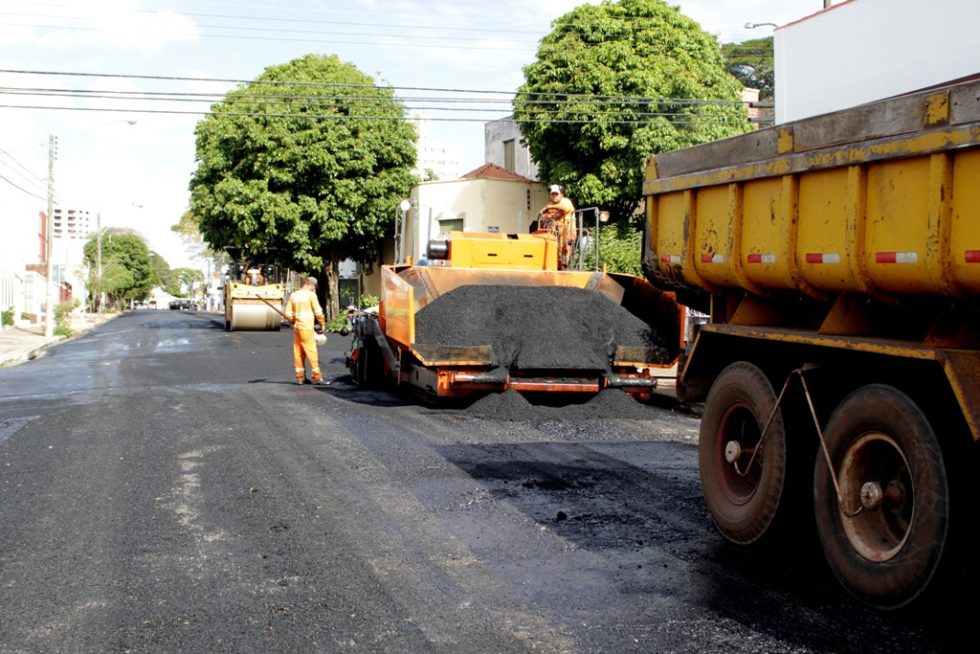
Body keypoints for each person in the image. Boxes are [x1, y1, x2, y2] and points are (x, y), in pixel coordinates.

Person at [285, 276, 328, 385]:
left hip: (297, 327)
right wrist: (322, 324)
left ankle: (300, 377)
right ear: (312, 285)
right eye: (314, 287)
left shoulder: (294, 295)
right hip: (307, 327)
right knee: (311, 350)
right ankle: (317, 377)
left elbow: (288, 313)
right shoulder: (311, 295)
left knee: (298, 351)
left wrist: (294, 320)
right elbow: (318, 312)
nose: (314, 289)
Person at [538, 184, 576, 268]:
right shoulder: (548, 204)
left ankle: (565, 265)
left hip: (567, 229)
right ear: (550, 195)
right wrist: (547, 215)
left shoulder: (565, 201)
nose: (554, 196)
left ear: (561, 194)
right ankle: (553, 263)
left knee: (566, 247)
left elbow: (565, 208)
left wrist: (549, 207)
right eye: (553, 194)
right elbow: (545, 216)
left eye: (556, 194)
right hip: (554, 231)